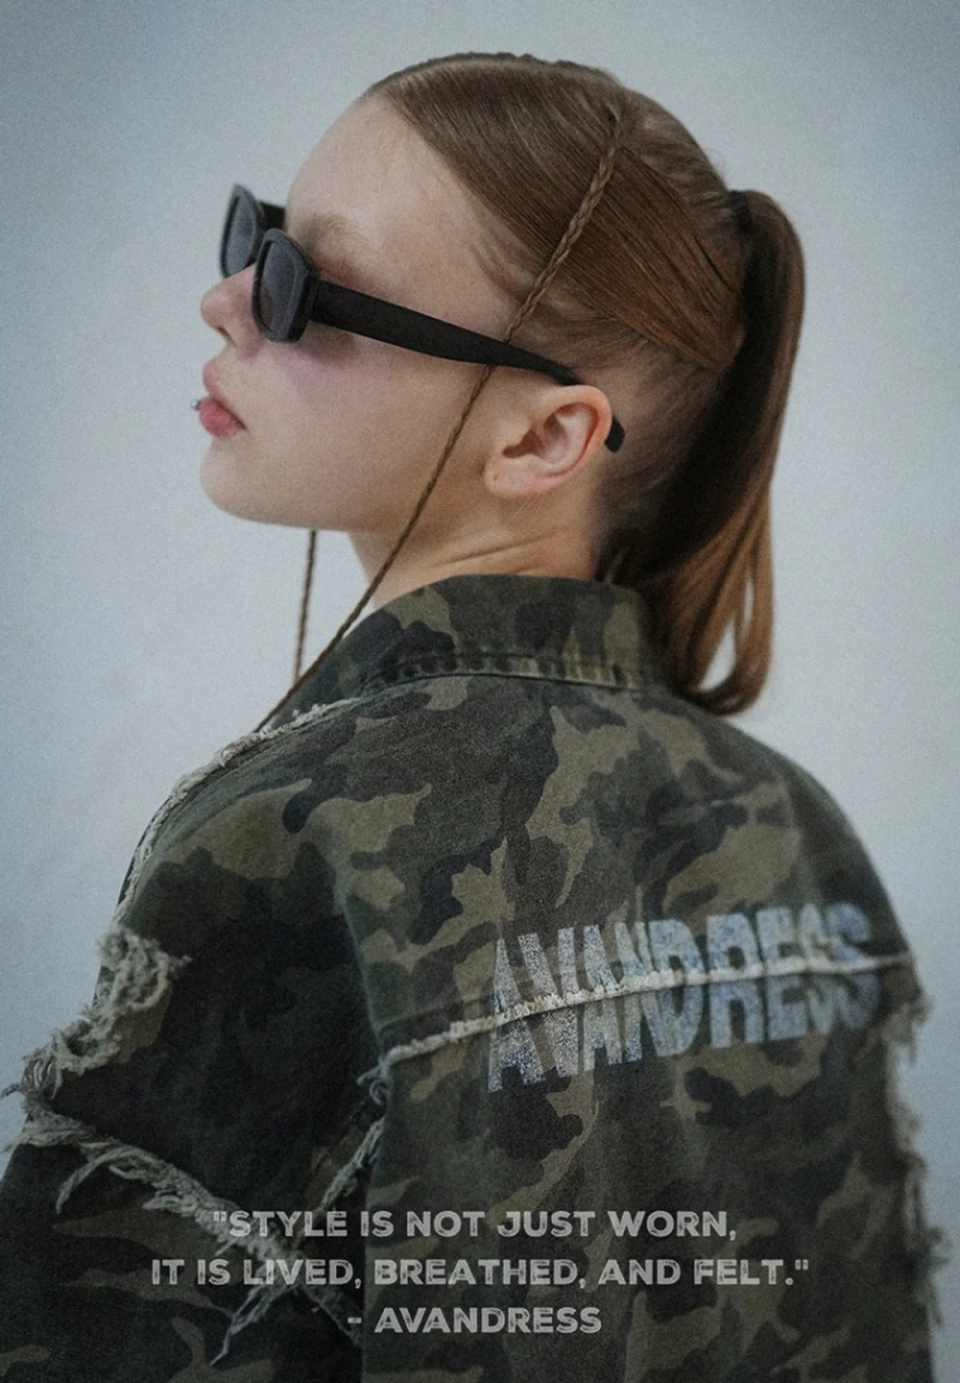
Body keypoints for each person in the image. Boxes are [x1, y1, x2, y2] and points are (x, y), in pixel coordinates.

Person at [0, 51, 934, 1382]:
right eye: (256, 235)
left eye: (304, 285)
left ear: (545, 440)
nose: (226, 299)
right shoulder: (798, 826)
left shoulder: (296, 836)